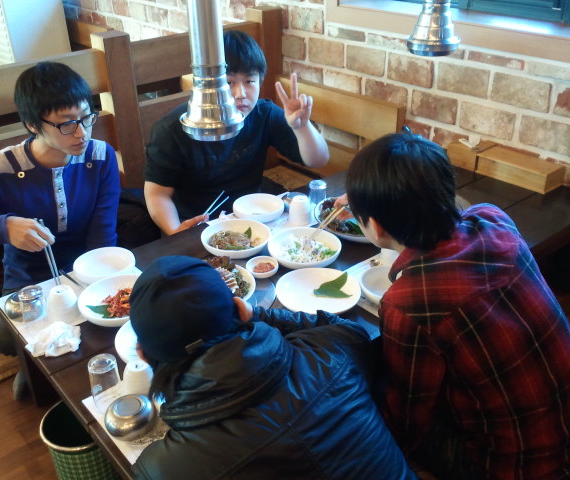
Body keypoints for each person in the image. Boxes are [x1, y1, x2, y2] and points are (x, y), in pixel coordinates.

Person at [345, 132, 570, 480]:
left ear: (373, 226)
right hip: (562, 426)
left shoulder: (408, 304)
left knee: (365, 391)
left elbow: (407, 422)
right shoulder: (494, 219)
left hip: (518, 467)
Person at [127, 255, 417, 480]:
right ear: (240, 309)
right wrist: (260, 315)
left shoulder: (162, 469)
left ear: (142, 354)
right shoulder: (333, 351)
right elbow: (349, 330)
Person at [0, 62, 120, 395]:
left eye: (86, 117)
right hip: (29, 280)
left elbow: (103, 235)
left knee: (119, 311)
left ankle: (48, 358)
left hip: (86, 268)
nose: (81, 133)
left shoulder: (100, 156)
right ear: (33, 124)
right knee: (2, 335)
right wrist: (3, 227)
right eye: (66, 124)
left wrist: (99, 286)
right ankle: (40, 360)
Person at [144, 30, 329, 235]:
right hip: (195, 227)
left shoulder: (264, 114)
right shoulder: (173, 128)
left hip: (253, 220)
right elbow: (157, 194)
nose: (240, 94)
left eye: (250, 81)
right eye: (228, 82)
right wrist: (176, 231)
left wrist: (302, 128)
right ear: (205, 85)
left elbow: (318, 160)